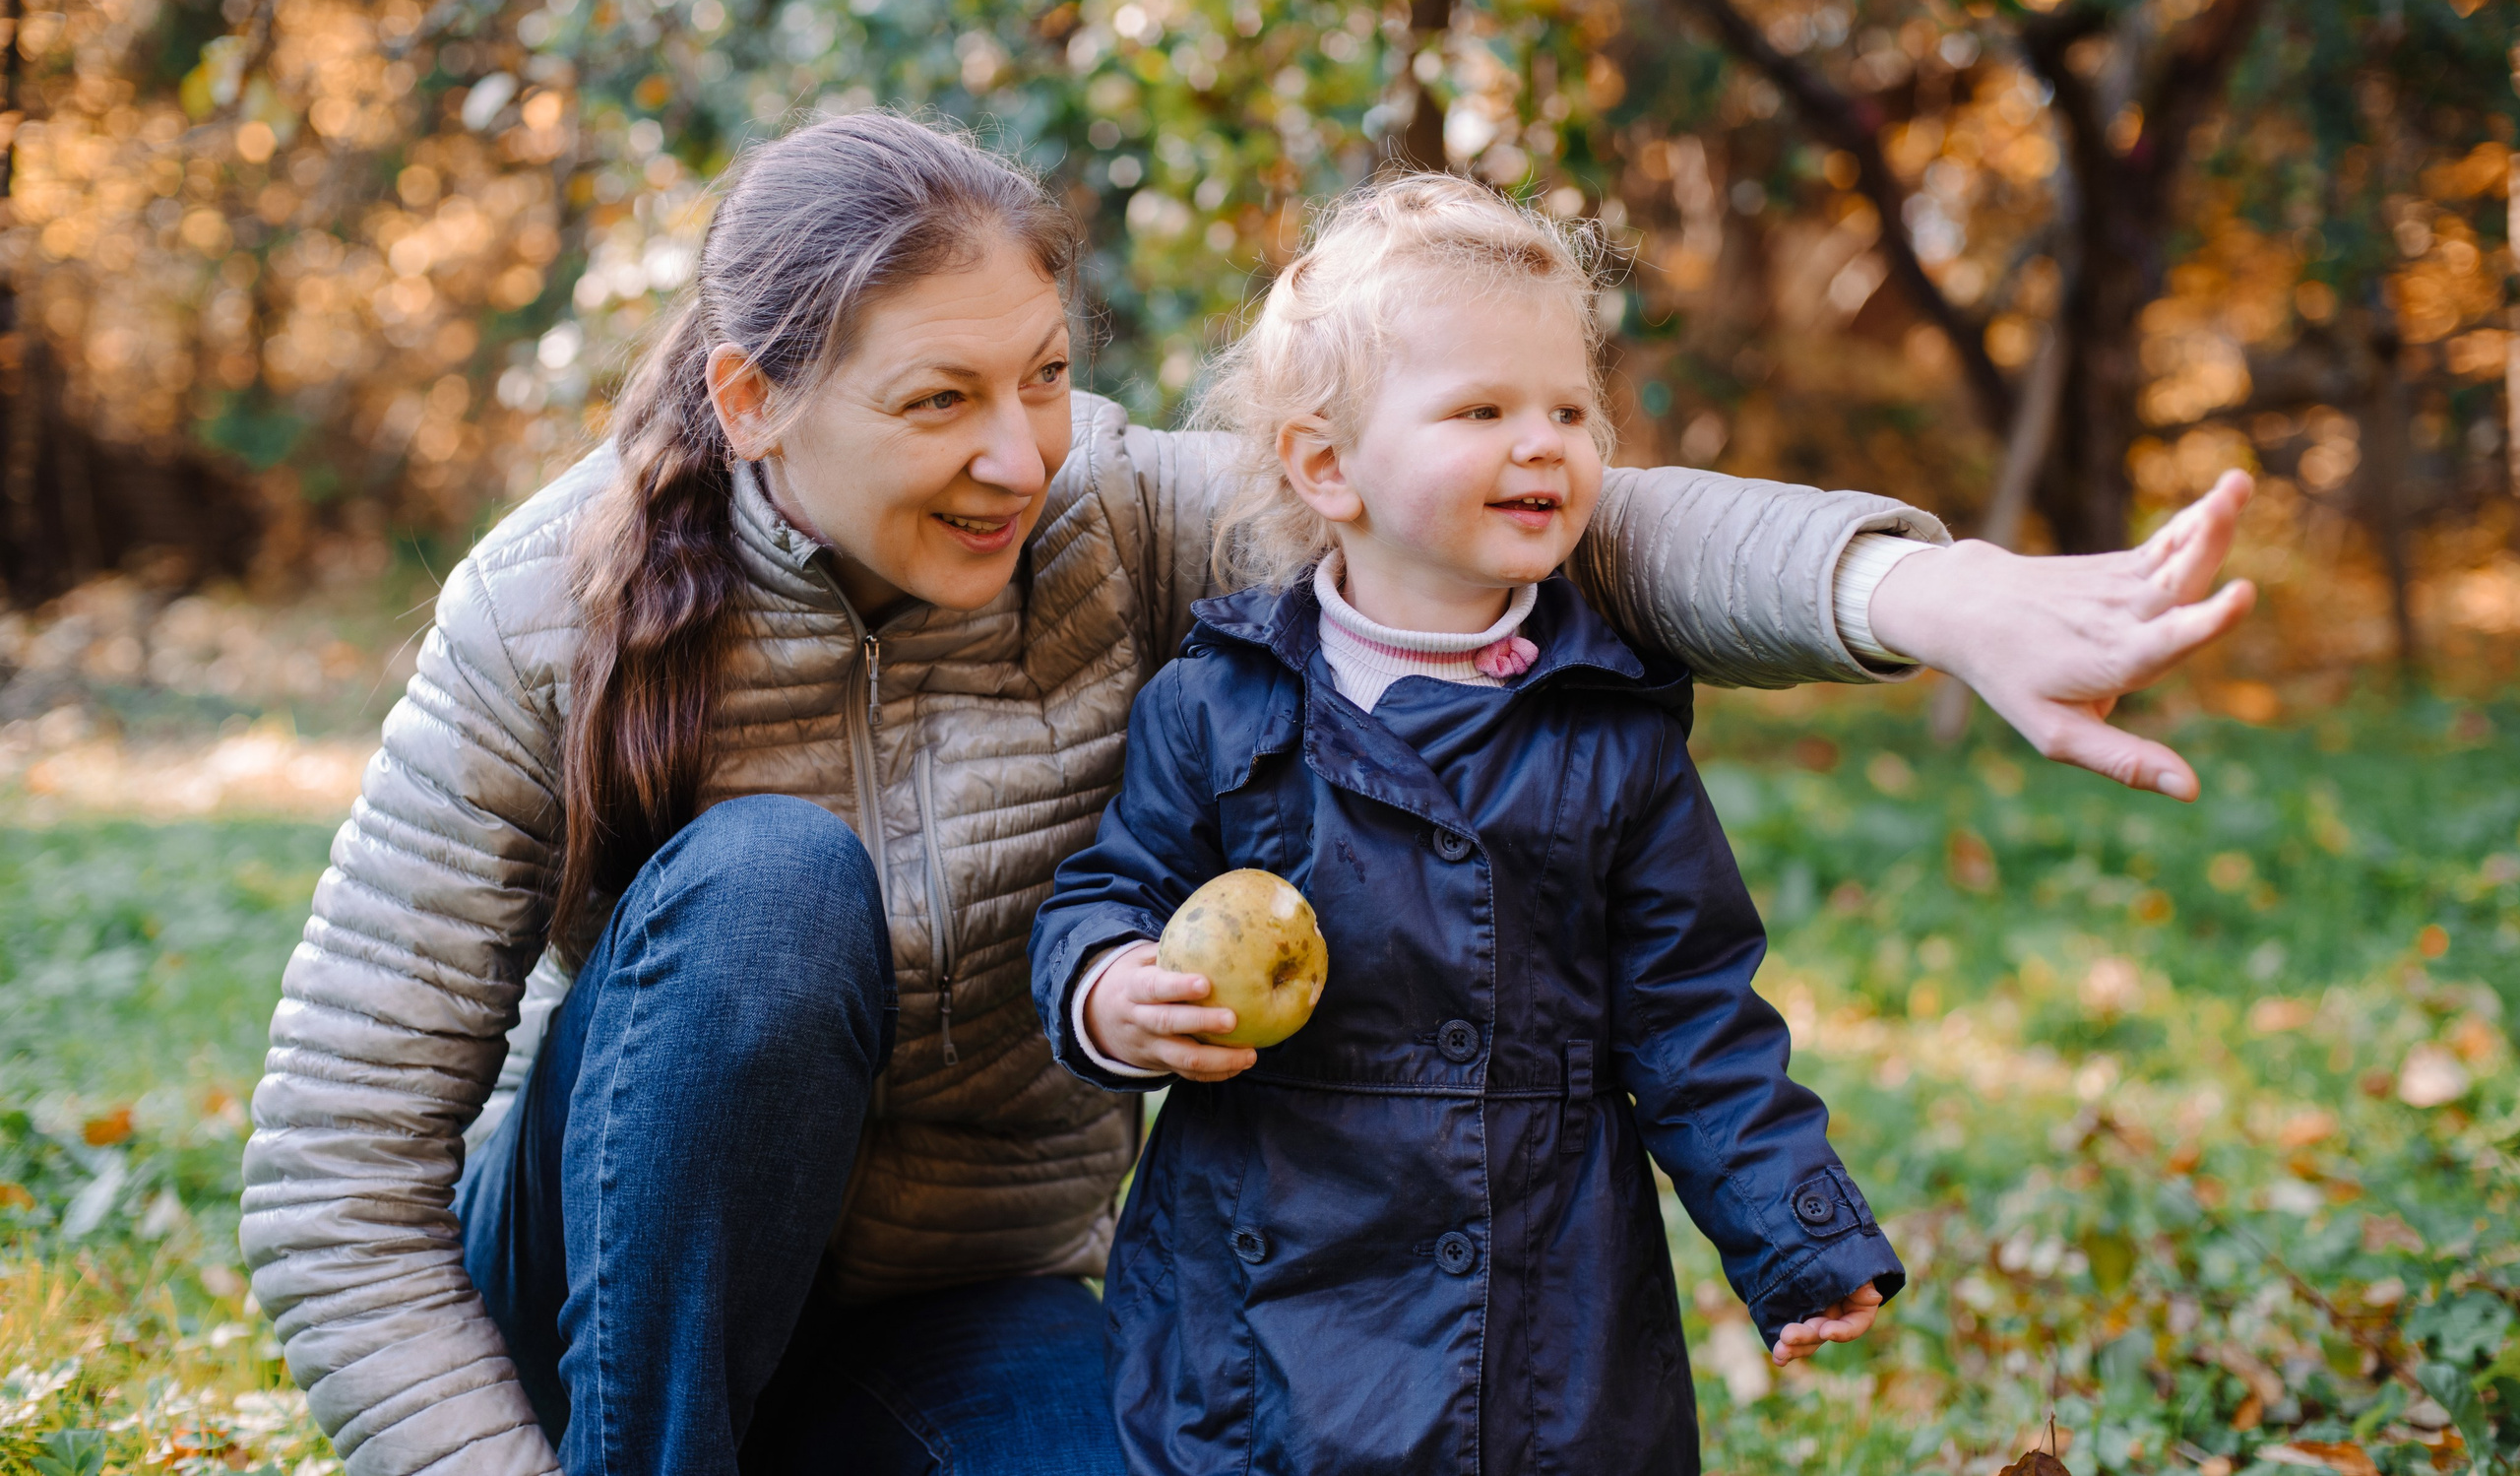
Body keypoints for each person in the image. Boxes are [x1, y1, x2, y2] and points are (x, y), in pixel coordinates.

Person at [238, 112, 2255, 1476]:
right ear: (751, 405)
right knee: (769, 884)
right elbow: (331, 1192)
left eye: (1038, 373)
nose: (1018, 452)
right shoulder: (543, 608)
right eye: (937, 400)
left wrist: (1930, 589)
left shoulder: (1124, 525)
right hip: (610, 1308)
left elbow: (1524, 512)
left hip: (952, 1307)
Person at [1034, 176, 1904, 1474]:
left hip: (1540, 1297)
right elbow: (1106, 886)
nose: (1543, 440)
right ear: (1327, 464)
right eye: (1483, 410)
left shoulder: (1611, 725)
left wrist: (1800, 1232)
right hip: (1264, 1294)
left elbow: (1692, 1015)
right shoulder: (1221, 705)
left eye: (1568, 408)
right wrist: (1112, 987)